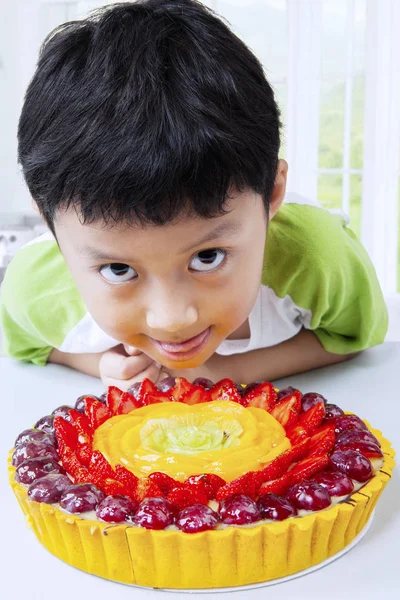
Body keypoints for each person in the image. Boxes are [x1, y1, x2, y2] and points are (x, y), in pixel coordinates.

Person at [0, 0, 387, 390]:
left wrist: (222, 374)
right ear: (48, 223)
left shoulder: (319, 258)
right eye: (119, 270)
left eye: (207, 257)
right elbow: (28, 348)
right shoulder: (34, 288)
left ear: (272, 193)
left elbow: (353, 337)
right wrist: (98, 363)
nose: (172, 318)